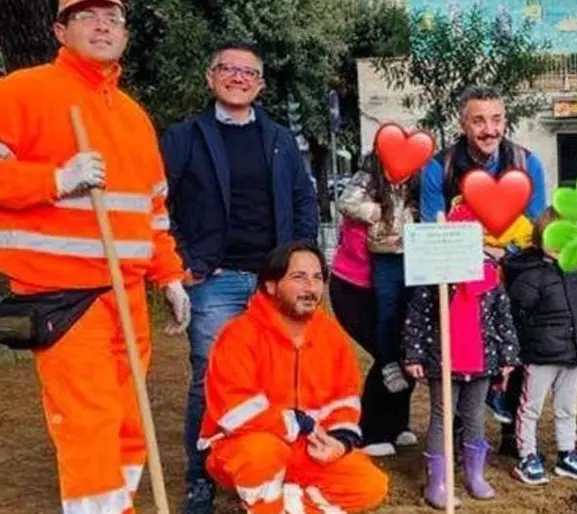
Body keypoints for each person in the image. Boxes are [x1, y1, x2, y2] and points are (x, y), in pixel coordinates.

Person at [0, 1, 191, 511]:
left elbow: (152, 210)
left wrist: (169, 276)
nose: (103, 24)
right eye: (87, 15)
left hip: (126, 294)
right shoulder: (22, 91)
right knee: (89, 426)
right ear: (60, 29)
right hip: (61, 296)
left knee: (130, 423)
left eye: (114, 17)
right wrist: (54, 179)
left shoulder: (132, 116)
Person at [159, 41, 319, 511]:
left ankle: (263, 465)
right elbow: (154, 202)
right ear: (210, 77)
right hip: (214, 278)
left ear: (261, 84)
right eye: (227, 69)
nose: (238, 77)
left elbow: (304, 199)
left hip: (275, 280)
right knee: (210, 378)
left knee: (277, 380)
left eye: (248, 72)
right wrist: (179, 259)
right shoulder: (184, 137)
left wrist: (303, 258)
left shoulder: (279, 138)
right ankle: (201, 476)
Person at [198, 242, 388, 513]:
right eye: (298, 277)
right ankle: (266, 503)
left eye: (317, 278)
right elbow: (235, 411)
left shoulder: (331, 336)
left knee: (369, 485)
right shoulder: (239, 335)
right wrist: (293, 422)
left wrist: (338, 440)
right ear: (271, 285)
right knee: (261, 455)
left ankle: (287, 502)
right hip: (244, 445)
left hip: (308, 447)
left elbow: (345, 401)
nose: (310, 287)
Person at [404, 199, 522, 509]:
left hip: (480, 359)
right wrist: (414, 354)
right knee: (442, 417)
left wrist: (508, 356)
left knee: (474, 415)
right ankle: (438, 482)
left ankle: (474, 475)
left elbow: (502, 317)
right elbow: (418, 315)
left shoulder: (489, 275)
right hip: (443, 358)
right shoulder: (435, 276)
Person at [336, 152, 420, 456]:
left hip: (399, 281)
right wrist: (380, 211)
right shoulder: (366, 189)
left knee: (406, 349)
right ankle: (371, 430)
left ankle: (397, 423)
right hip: (354, 288)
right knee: (387, 356)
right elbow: (349, 203)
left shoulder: (414, 192)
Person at [505, 210, 577, 484]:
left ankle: (567, 452)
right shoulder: (531, 276)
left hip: (572, 354)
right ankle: (527, 455)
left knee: (568, 408)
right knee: (530, 408)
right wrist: (521, 350)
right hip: (540, 355)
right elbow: (516, 314)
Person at [418, 85, 547, 224]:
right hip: (457, 245)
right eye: (478, 122)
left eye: (496, 120)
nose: (489, 131)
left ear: (505, 123)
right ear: (462, 126)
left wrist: (505, 246)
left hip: (514, 245)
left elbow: (536, 231)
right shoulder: (439, 169)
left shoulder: (528, 165)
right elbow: (431, 235)